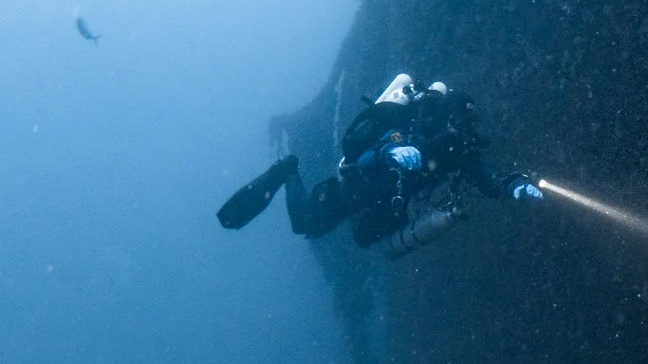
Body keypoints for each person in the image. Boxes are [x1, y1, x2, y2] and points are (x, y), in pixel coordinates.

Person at [216, 74, 543, 254]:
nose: (459, 130)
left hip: (390, 208)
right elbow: (376, 147)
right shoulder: (418, 120)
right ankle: (288, 170)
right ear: (447, 113)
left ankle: (299, 180)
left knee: (362, 237)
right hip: (357, 188)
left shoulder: (463, 150)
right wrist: (389, 152)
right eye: (458, 120)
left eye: (466, 124)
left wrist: (513, 186)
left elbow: (487, 180)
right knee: (306, 226)